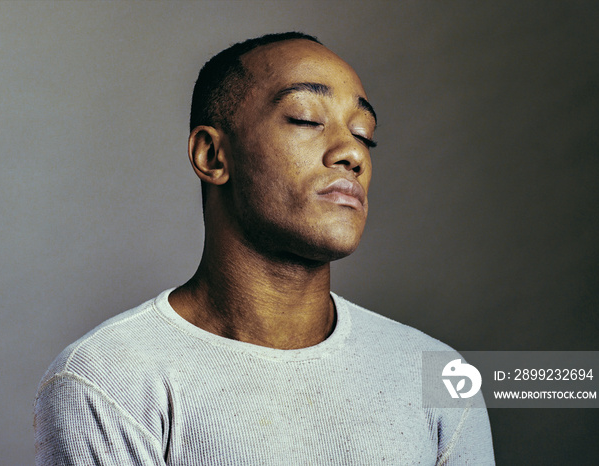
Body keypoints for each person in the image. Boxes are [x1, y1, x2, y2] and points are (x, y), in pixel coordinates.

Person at [34, 32, 495, 465]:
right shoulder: (108, 380)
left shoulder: (439, 375)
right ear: (212, 156)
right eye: (307, 118)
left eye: (363, 134)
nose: (352, 154)